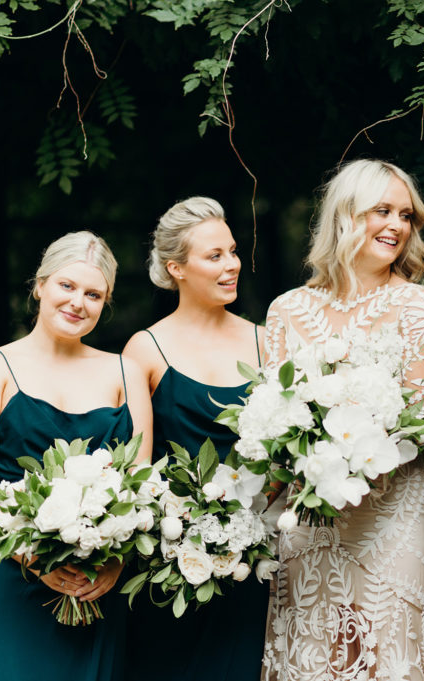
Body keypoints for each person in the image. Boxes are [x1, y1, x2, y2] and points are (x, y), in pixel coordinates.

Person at [261, 159, 424, 681]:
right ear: (345, 215)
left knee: (386, 647)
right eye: (382, 211)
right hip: (312, 510)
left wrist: (355, 457)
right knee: (316, 647)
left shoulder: (419, 307)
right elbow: (274, 416)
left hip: (395, 505)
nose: (397, 225)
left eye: (406, 216)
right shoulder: (286, 311)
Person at [0, 231, 153, 681]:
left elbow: (141, 483)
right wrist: (37, 559)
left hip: (96, 578)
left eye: (93, 294)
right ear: (40, 285)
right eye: (67, 285)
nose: (78, 302)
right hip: (7, 571)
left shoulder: (125, 372)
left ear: (105, 303)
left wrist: (116, 561)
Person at [122, 197, 268, 681]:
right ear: (176, 269)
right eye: (214, 256)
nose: (232, 265)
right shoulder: (145, 349)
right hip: (172, 566)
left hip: (255, 561)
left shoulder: (265, 341)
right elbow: (136, 468)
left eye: (233, 251)